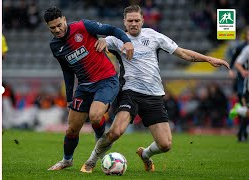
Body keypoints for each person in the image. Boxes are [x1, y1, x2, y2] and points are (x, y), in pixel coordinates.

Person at [81, 5, 230, 173]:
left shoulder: (153, 36)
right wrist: (100, 41)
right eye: (130, 21)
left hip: (153, 95)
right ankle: (91, 161)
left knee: (165, 145)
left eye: (137, 20)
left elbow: (182, 53)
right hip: (129, 93)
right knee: (116, 132)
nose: (134, 24)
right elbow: (96, 43)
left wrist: (208, 59)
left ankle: (145, 155)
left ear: (143, 20)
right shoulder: (116, 39)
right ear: (124, 22)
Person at [43, 7, 134, 171]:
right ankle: (67, 160)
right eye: (52, 28)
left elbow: (112, 29)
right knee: (72, 129)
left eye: (59, 25)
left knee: (95, 115)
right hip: (84, 86)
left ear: (64, 19)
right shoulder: (55, 45)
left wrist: (126, 41)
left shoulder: (83, 27)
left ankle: (100, 141)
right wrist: (69, 96)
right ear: (48, 27)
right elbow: (67, 71)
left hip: (106, 80)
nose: (57, 30)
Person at [228, 28, 249, 142]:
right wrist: (233, 69)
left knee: (246, 111)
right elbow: (236, 62)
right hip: (245, 82)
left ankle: (242, 133)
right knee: (246, 110)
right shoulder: (244, 48)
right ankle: (242, 133)